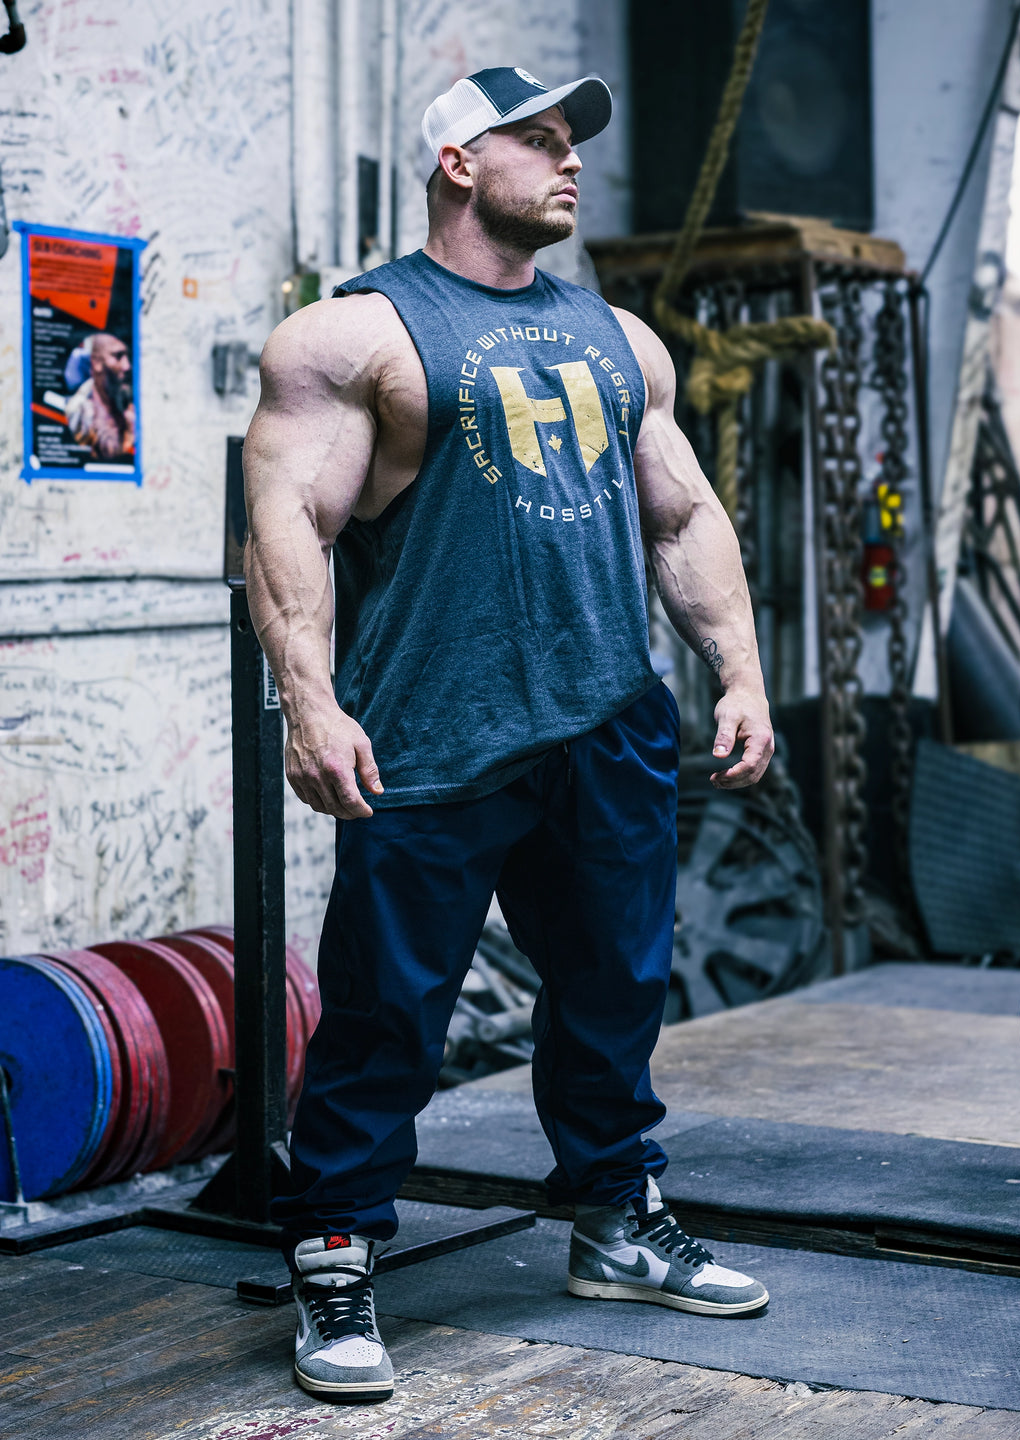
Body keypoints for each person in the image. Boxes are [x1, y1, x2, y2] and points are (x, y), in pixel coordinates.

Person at [244, 66, 775, 1403]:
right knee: (385, 1014)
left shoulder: (620, 338)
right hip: (432, 727)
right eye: (534, 137)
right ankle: (336, 1254)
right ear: (456, 163)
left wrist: (739, 672)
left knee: (613, 992)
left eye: (571, 138)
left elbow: (682, 517)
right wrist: (312, 702)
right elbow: (289, 524)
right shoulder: (355, 334)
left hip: (605, 721)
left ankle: (614, 1217)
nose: (567, 159)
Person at [65, 331, 134, 461]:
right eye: (118, 356)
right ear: (96, 362)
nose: (127, 366)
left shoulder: (132, 411)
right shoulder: (79, 413)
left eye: (128, 356)